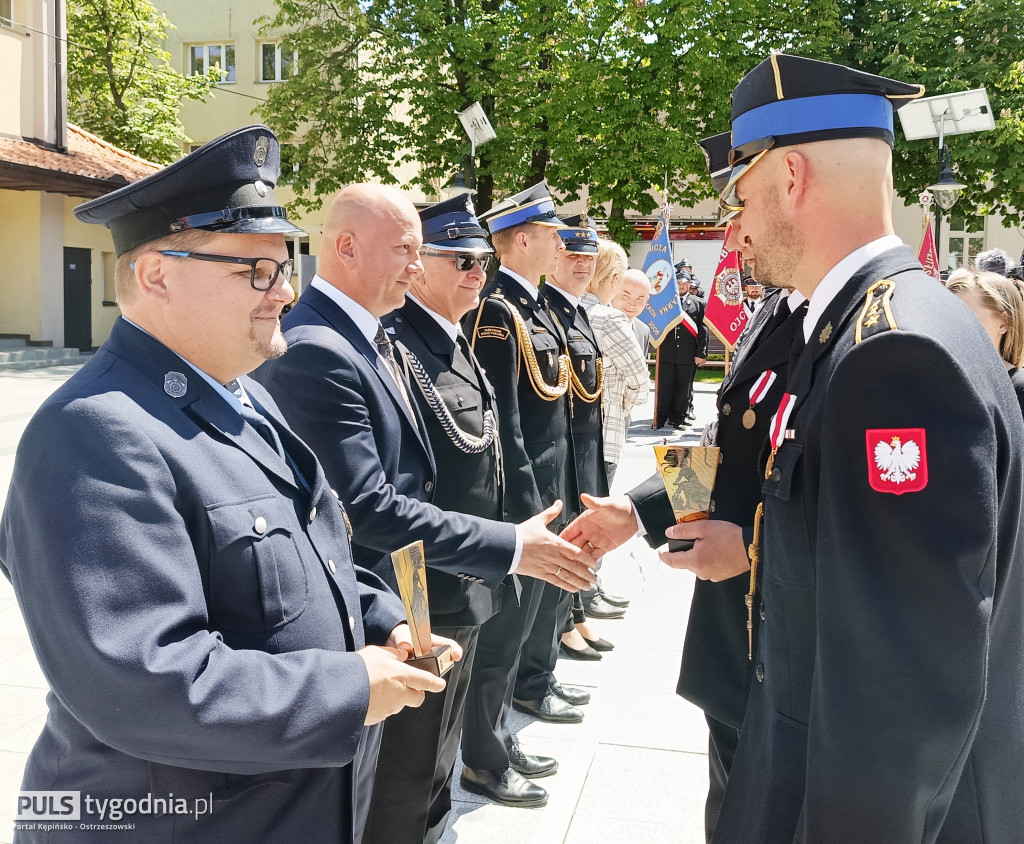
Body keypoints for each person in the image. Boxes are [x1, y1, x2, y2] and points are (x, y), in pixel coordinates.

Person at [0, 126, 461, 844]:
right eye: (256, 271)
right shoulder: (95, 432)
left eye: (288, 266)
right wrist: (349, 688)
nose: (286, 293)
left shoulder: (243, 393)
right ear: (156, 275)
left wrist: (382, 620)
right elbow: (146, 684)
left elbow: (307, 560)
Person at [707, 53, 1024, 841]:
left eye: (739, 194)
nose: (735, 224)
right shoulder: (872, 325)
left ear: (790, 179)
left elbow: (902, 690)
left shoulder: (892, 354)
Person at [251, 184, 594, 835]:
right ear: (346, 247)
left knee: (425, 768)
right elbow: (370, 510)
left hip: (409, 592)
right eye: (405, 248)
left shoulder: (368, 336)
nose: (417, 263)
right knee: (395, 787)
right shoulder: (320, 349)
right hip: (367, 605)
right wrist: (511, 546)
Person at [559, 129, 809, 841]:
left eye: (741, 203)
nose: (731, 229)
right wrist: (634, 512)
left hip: (790, 660)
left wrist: (758, 552)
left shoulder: (866, 332)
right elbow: (723, 446)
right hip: (737, 651)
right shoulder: (777, 312)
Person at [459, 181, 592, 808]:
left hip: (550, 489)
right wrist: (526, 508)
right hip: (523, 502)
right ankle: (482, 760)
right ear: (518, 240)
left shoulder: (535, 307)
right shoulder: (497, 312)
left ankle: (499, 738)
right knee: (504, 633)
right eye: (548, 233)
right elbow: (504, 423)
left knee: (525, 628)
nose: (559, 242)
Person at [585, 237, 649, 484]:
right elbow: (641, 386)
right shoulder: (609, 318)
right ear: (614, 280)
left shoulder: (563, 309)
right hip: (604, 436)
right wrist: (623, 403)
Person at [947, 268, 1024, 415]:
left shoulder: (1019, 388)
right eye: (948, 315)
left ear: (1003, 324)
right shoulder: (937, 383)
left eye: (966, 316)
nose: (953, 325)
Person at [654, 271, 708, 429]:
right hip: (666, 352)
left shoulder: (698, 303)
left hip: (687, 353)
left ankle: (677, 418)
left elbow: (703, 330)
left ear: (689, 285)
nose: (682, 286)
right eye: (679, 283)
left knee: (683, 388)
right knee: (665, 386)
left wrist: (701, 353)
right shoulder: (666, 302)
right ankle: (661, 417)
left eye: (685, 284)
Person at [613, 267, 653, 356]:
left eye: (639, 299)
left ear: (646, 300)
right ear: (614, 291)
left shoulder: (643, 331)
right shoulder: (597, 322)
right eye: (626, 296)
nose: (632, 304)